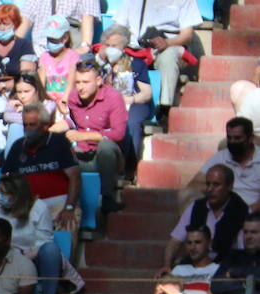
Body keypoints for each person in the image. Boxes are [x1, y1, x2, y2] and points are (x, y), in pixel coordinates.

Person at [117, 0, 203, 131]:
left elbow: (187, 36)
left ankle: (164, 108)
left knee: (168, 57)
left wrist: (167, 42)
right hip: (134, 48)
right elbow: (118, 27)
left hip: (167, 46)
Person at [0, 173, 63, 294]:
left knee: (51, 250)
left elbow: (44, 241)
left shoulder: (39, 207)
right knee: (22, 269)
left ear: (17, 194)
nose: (0, 197)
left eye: (4, 193)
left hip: (35, 255)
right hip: (10, 257)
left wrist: (26, 257)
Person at [59, 60, 126, 215]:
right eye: (78, 82)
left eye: (85, 82)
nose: (81, 87)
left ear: (98, 81)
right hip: (82, 153)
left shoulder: (113, 97)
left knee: (106, 146)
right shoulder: (74, 97)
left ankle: (107, 197)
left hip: (107, 156)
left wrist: (84, 136)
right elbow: (71, 122)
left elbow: (118, 133)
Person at [2, 103, 81, 230]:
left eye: (32, 125)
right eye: (25, 125)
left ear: (45, 126)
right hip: (26, 205)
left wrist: (69, 207)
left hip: (59, 204)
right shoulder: (18, 146)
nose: (27, 129)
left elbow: (75, 177)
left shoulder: (59, 142)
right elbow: (4, 182)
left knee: (69, 224)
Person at [98, 23, 153, 182]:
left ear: (124, 46)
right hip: (107, 104)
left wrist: (129, 100)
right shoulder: (100, 65)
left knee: (131, 122)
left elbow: (146, 93)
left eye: (114, 46)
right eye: (107, 45)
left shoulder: (136, 64)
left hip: (133, 102)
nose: (110, 49)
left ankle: (129, 168)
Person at [164, 165, 247, 269]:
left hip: (227, 268)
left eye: (216, 185)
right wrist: (167, 267)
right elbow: (174, 242)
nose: (210, 189)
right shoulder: (196, 207)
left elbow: (243, 251)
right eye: (208, 184)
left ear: (229, 187)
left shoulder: (241, 210)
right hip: (196, 265)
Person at [202, 212, 260, 294]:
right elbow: (216, 285)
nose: (248, 236)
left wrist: (234, 273)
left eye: (254, 232)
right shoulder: (232, 257)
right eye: (245, 232)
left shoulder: (233, 267)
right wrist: (248, 282)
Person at [202, 117, 260, 211]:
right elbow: (196, 182)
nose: (232, 142)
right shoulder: (221, 157)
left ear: (250, 138)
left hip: (253, 214)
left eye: (237, 138)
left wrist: (248, 211)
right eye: (229, 138)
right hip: (223, 210)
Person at [0, 2, 36, 78]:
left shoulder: (24, 46)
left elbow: (27, 73)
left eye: (6, 24)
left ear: (15, 25)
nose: (2, 28)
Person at [18, 0, 96, 56]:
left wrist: (84, 47)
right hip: (39, 51)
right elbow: (25, 19)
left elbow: (88, 18)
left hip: (69, 51)